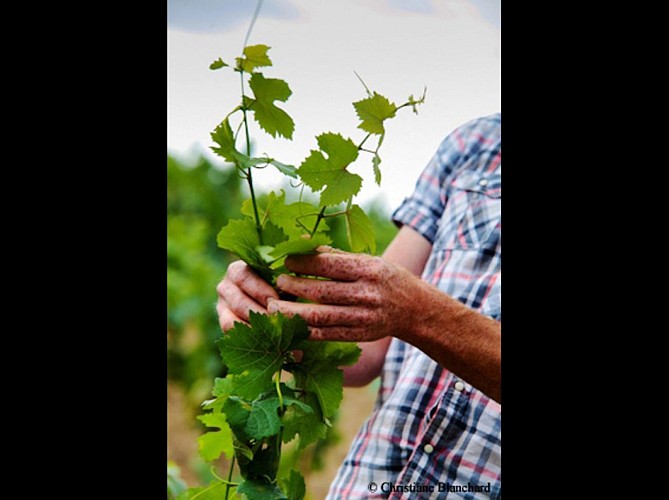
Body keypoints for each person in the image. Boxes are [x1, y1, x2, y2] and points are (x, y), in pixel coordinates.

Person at [216, 113, 501, 498]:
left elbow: (404, 307)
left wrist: (416, 312)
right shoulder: (475, 144)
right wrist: (278, 325)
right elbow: (365, 350)